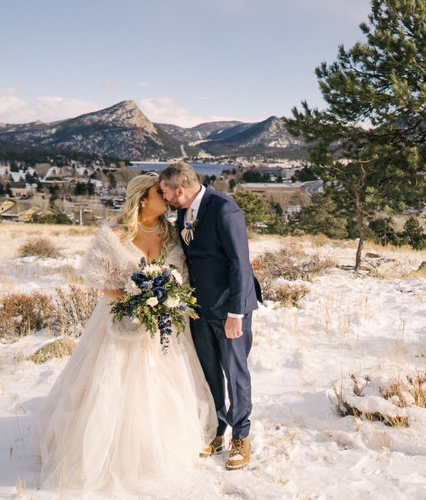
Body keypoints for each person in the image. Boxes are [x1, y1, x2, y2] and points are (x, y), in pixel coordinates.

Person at [34, 172, 215, 493]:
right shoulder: (116, 234)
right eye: (161, 192)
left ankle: (156, 447)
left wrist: (165, 299)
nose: (168, 196)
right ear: (143, 198)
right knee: (111, 382)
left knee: (162, 384)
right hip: (120, 323)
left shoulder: (172, 234)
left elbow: (182, 276)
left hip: (163, 323)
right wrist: (134, 298)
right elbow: (95, 276)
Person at [158, 162, 261, 471]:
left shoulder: (224, 210)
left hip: (229, 308)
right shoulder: (182, 211)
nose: (163, 198)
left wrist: (235, 314)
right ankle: (217, 430)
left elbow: (239, 263)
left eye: (165, 192)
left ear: (180, 190)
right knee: (208, 372)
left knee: (235, 372)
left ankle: (241, 437)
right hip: (198, 308)